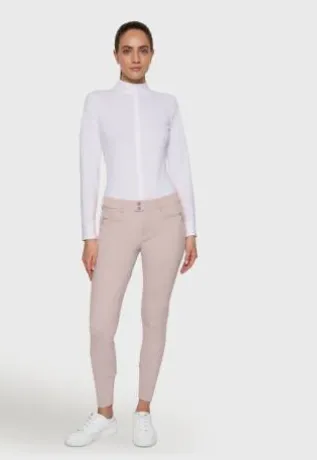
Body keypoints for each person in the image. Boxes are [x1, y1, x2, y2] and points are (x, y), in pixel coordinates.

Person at [65, 20, 198, 448]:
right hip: (117, 219)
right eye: (127, 50)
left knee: (154, 317)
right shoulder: (98, 102)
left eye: (143, 50)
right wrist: (89, 234)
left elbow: (180, 165)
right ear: (116, 55)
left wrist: (192, 228)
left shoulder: (167, 104)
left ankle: (143, 409)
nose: (135, 58)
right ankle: (104, 412)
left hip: (166, 218)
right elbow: (89, 167)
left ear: (152, 54)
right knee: (101, 324)